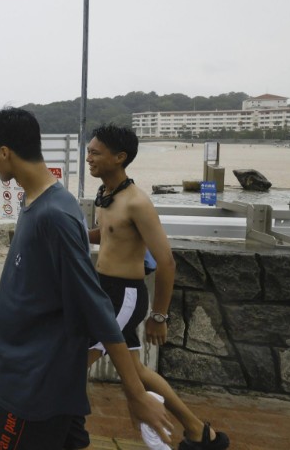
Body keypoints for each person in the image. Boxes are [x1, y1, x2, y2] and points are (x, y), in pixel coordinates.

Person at [0, 107, 172, 449]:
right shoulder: (34, 201)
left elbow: (95, 305)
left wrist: (136, 394)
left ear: (4, 152)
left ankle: (196, 430)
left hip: (36, 384)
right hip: (32, 375)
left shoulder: (54, 215)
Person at [84, 123, 229, 450]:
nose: (88, 157)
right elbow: (105, 234)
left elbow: (166, 262)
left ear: (119, 157)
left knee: (71, 363)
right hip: (105, 290)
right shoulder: (107, 194)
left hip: (122, 296)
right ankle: (197, 431)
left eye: (95, 152)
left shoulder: (137, 202)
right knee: (135, 371)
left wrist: (159, 316)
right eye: (88, 150)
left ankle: (67, 433)